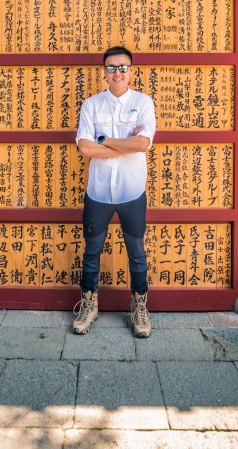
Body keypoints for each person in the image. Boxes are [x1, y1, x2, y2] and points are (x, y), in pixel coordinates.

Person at [72, 45, 157, 337]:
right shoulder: (91, 105)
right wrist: (123, 144)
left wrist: (104, 140)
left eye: (122, 67)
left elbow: (142, 144)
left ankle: (139, 308)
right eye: (111, 67)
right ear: (104, 72)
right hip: (98, 192)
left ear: (131, 71)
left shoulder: (144, 103)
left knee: (136, 252)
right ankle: (89, 304)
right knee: (92, 251)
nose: (117, 72)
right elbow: (84, 147)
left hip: (132, 191)